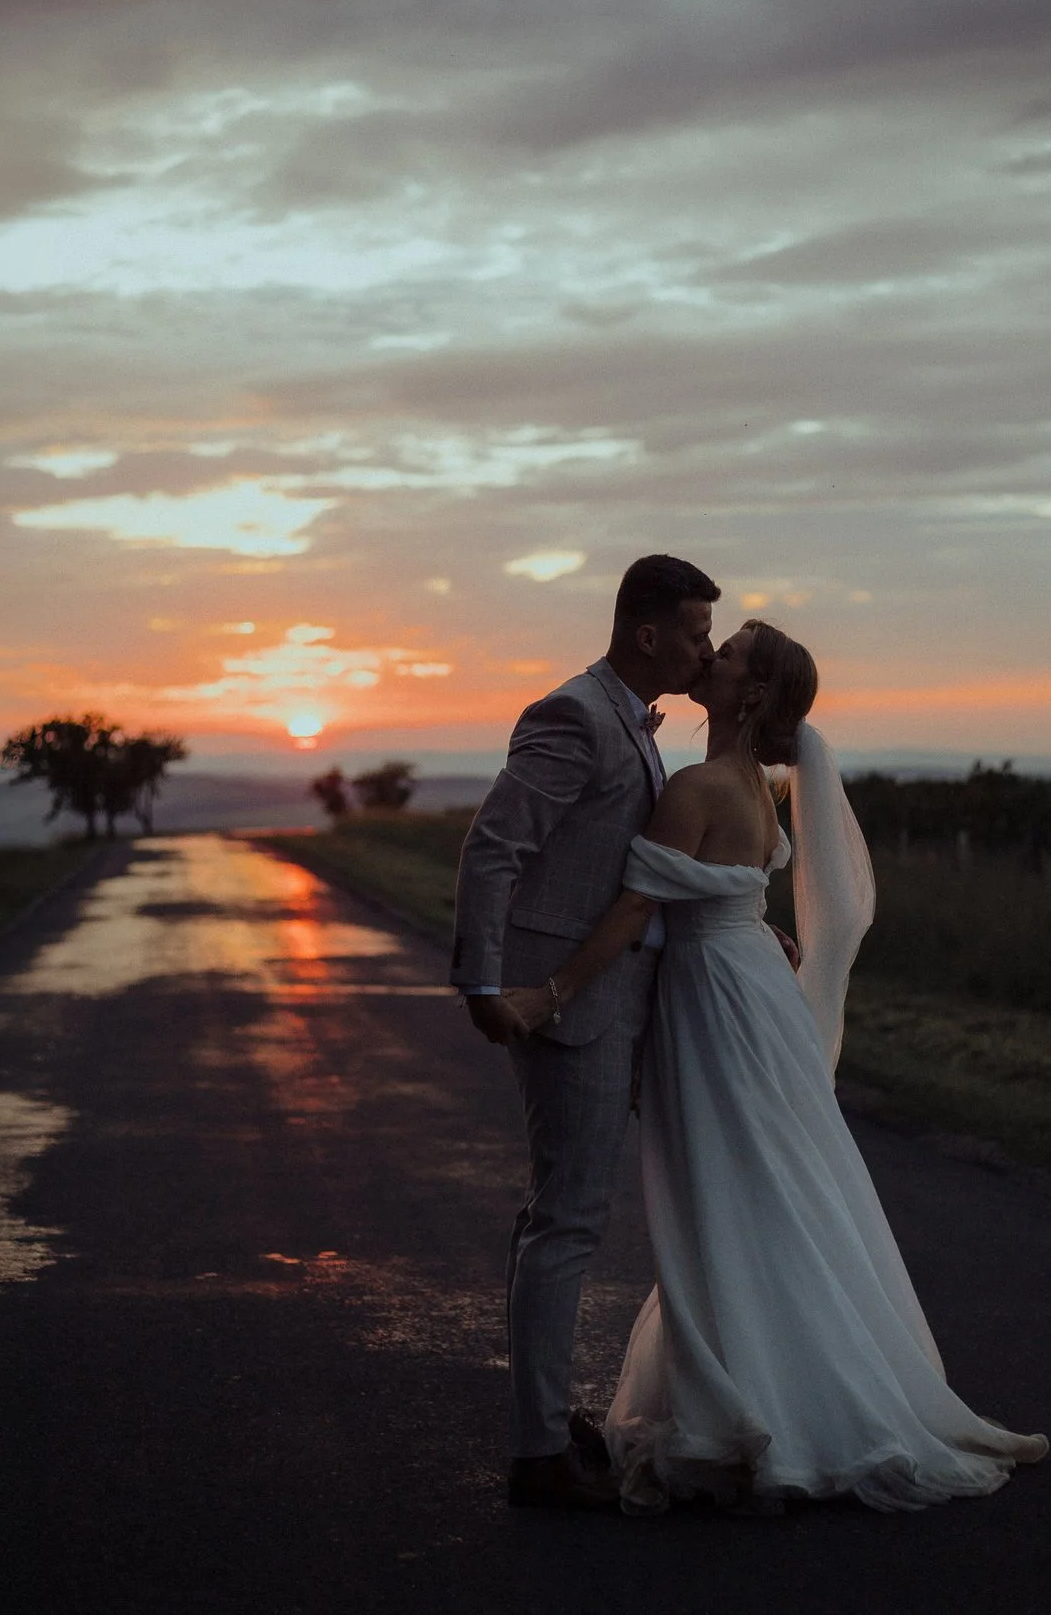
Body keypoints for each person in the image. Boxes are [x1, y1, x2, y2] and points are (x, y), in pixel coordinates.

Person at [499, 620, 1048, 1513]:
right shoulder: (758, 783)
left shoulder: (700, 785)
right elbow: (728, 894)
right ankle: (793, 1380)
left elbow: (638, 909)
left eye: (727, 653)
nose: (707, 656)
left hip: (716, 1003)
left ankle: (765, 1399)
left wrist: (549, 991)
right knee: (774, 1184)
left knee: (722, 1183)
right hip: (754, 990)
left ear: (750, 693)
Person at [452, 554, 723, 1510]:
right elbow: (497, 845)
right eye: (695, 630)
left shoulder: (632, 722)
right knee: (566, 1218)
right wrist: (487, 981)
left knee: (559, 1214)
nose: (707, 647)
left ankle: (542, 1420)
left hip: (611, 997)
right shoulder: (574, 714)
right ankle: (535, 1454)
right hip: (569, 1006)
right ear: (648, 634)